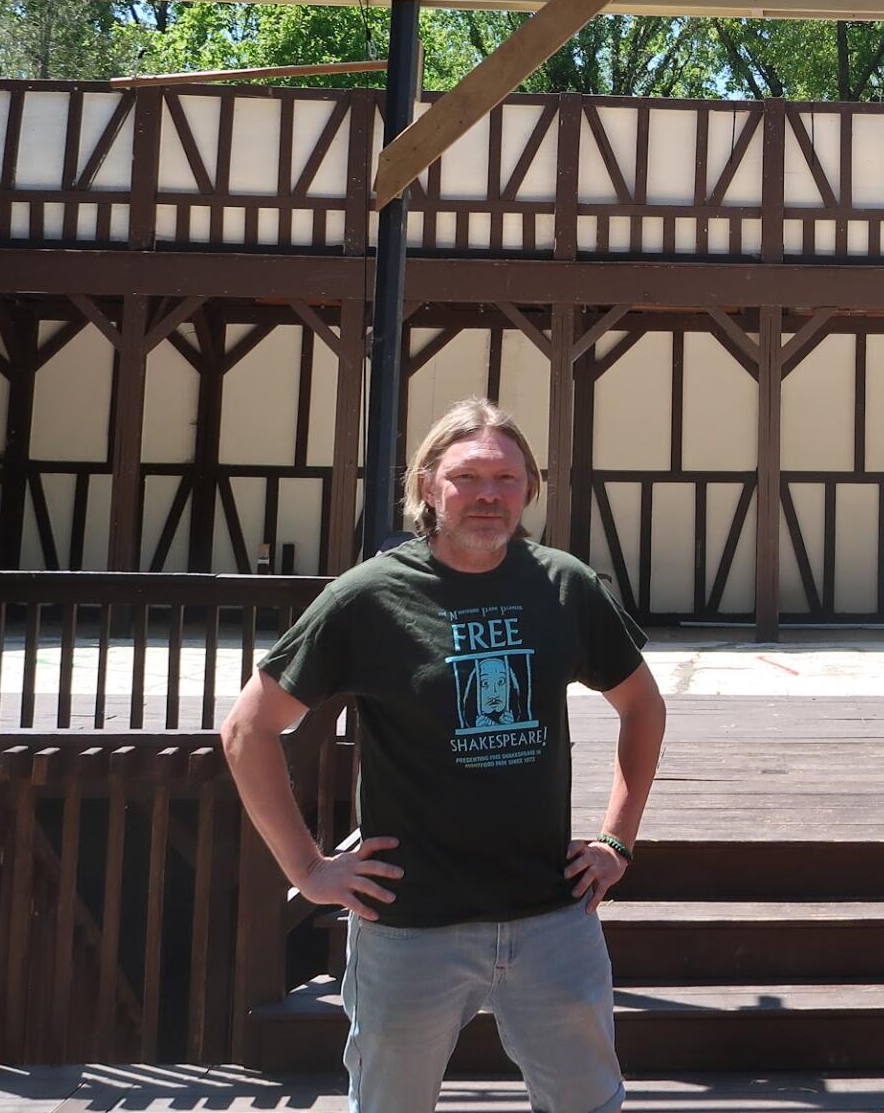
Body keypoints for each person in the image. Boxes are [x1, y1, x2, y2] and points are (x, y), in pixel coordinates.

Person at [222, 396, 666, 1113]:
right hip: (407, 927)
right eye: (467, 477)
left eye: (507, 479)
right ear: (428, 484)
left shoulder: (564, 585)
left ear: (530, 489)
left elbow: (642, 704)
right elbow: (248, 729)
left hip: (551, 915)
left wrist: (617, 837)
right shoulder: (368, 597)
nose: (488, 495)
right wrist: (307, 867)